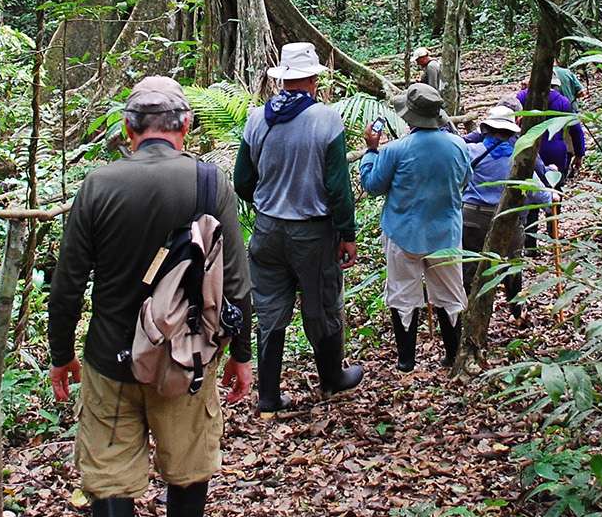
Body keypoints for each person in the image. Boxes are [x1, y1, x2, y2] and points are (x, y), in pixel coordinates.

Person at [46, 76, 254, 517]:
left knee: (110, 477)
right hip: (185, 360)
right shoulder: (210, 183)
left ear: (128, 130)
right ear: (185, 127)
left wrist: (61, 353)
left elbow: (67, 283)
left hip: (111, 359)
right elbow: (236, 279)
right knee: (187, 460)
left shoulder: (97, 184)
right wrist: (242, 356)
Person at [233, 42, 363, 415]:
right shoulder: (326, 119)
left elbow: (242, 181)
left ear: (283, 79)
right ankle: (331, 380)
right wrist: (347, 234)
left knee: (271, 310)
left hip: (268, 231)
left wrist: (268, 199)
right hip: (312, 232)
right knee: (321, 304)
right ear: (312, 78)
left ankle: (268, 395)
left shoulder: (257, 118)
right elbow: (338, 187)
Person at [359, 83, 470, 372]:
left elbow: (371, 185)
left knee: (402, 294)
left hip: (403, 233)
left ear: (409, 117)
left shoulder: (395, 150)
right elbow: (464, 182)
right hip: (445, 233)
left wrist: (371, 151)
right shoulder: (458, 145)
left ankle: (407, 361)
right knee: (450, 293)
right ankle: (452, 356)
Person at [461, 104, 553, 311]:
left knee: (470, 266)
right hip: (509, 219)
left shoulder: (470, 152)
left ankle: (469, 310)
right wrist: (551, 201)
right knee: (512, 265)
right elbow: (538, 192)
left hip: (471, 218)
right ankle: (516, 312)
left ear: (486, 129)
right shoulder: (519, 158)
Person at [514, 78, 588, 183]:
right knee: (555, 186)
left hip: (527, 147)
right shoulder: (563, 101)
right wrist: (579, 153)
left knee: (529, 186)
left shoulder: (522, 96)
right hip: (555, 150)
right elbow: (575, 129)